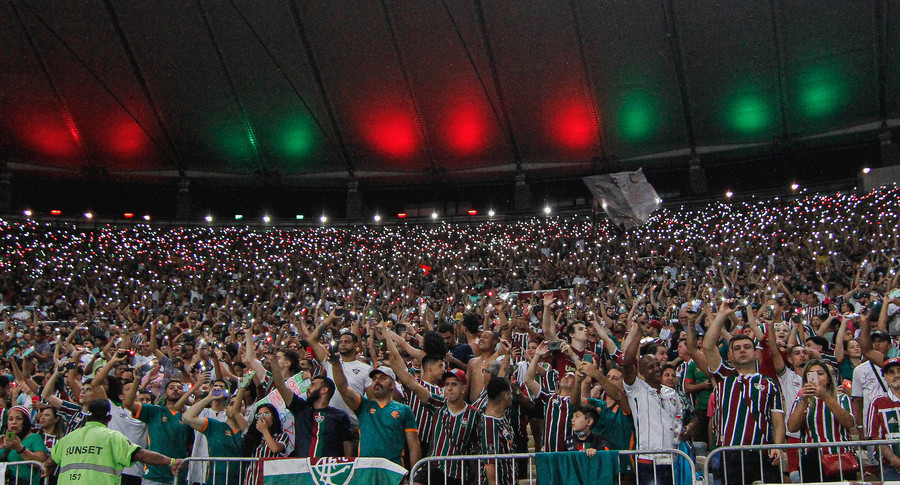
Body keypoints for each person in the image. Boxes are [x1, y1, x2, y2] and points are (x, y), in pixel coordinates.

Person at [704, 301, 785, 485]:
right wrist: (722, 315)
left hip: (762, 453)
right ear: (730, 356)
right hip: (730, 454)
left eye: (747, 347)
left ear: (756, 353)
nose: (742, 351)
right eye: (737, 348)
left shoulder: (769, 383)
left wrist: (778, 447)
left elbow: (778, 421)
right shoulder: (724, 376)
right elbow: (708, 346)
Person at [383, 334, 481, 485]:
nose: (448, 388)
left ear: (463, 388)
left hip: (458, 472)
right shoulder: (439, 403)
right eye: (447, 384)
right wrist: (394, 364)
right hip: (434, 466)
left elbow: (477, 446)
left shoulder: (474, 414)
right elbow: (412, 384)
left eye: (453, 384)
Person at [44, 399, 182, 485]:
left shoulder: (68, 438)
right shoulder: (113, 437)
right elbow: (142, 455)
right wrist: (171, 461)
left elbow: (51, 460)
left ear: (88, 417)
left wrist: (45, 466)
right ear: (109, 418)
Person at [330, 352, 421, 469]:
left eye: (382, 378)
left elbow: (413, 445)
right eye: (374, 379)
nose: (377, 381)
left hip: (393, 470)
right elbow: (343, 387)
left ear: (392, 385)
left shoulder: (404, 410)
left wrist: (415, 475)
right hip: (365, 469)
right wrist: (336, 364)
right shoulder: (363, 405)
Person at [623, 318, 682, 485]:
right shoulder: (636, 389)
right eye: (650, 367)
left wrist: (680, 434)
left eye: (657, 365)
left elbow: (678, 418)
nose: (656, 368)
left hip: (671, 457)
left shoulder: (671, 392)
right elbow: (627, 363)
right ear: (640, 371)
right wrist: (639, 333)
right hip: (647, 458)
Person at [266, 353, 353, 458]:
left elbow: (347, 444)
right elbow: (280, 385)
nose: (308, 388)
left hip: (328, 470)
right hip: (303, 469)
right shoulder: (300, 408)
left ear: (324, 390)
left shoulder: (340, 416)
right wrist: (274, 362)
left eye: (313, 385)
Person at [786, 359, 855, 482]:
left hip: (840, 458)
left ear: (828, 378)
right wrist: (803, 400)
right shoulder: (801, 400)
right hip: (812, 461)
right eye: (811, 374)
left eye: (820, 373)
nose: (816, 378)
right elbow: (792, 427)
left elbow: (849, 422)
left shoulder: (841, 397)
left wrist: (825, 397)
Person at [123, 377, 195, 485]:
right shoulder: (154, 411)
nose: (176, 389)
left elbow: (190, 448)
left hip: (178, 476)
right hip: (154, 475)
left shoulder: (188, 418)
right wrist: (137, 379)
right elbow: (128, 404)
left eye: (179, 388)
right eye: (171, 388)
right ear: (164, 395)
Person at [181, 390, 245, 485]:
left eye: (240, 405)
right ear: (225, 409)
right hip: (214, 481)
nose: (236, 407)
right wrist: (209, 398)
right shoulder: (214, 426)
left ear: (246, 410)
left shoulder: (248, 431)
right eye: (232, 404)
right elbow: (187, 417)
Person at [868, 357, 900, 482]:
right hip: (890, 467)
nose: (896, 375)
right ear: (885, 378)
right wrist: (893, 459)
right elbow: (875, 437)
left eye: (899, 370)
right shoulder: (878, 402)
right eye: (891, 372)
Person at [0, 406, 48, 485]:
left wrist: (19, 448)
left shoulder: (34, 437)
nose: (14, 422)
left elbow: (41, 462)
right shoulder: (2, 439)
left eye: (18, 419)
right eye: (10, 419)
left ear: (25, 422)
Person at [480, 377, 515, 485]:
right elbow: (489, 465)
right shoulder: (489, 424)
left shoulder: (503, 416)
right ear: (506, 396)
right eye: (511, 393)